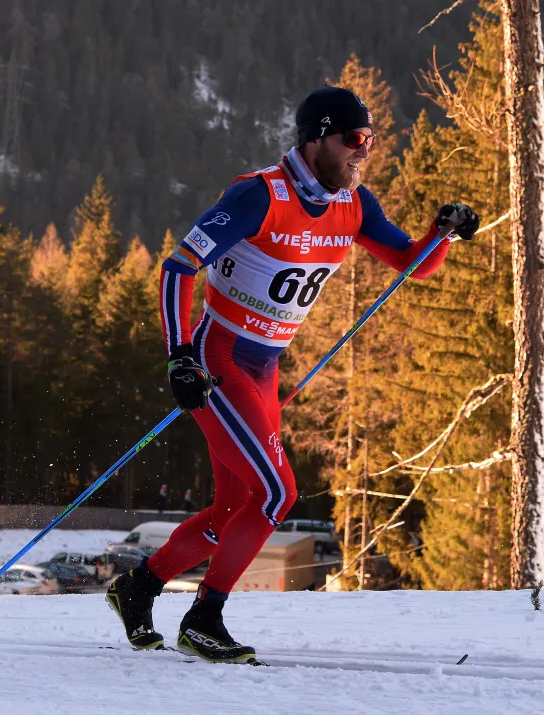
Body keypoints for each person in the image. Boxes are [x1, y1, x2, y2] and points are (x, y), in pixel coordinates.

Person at [106, 86, 478, 662]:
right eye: (353, 140)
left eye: (371, 141)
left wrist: (442, 232)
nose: (364, 152)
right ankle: (204, 618)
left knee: (238, 507)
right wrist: (179, 355)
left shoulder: (354, 204)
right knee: (278, 492)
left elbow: (414, 267)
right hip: (217, 360)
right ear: (315, 139)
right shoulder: (259, 195)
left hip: (264, 368)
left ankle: (141, 586)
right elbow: (178, 269)